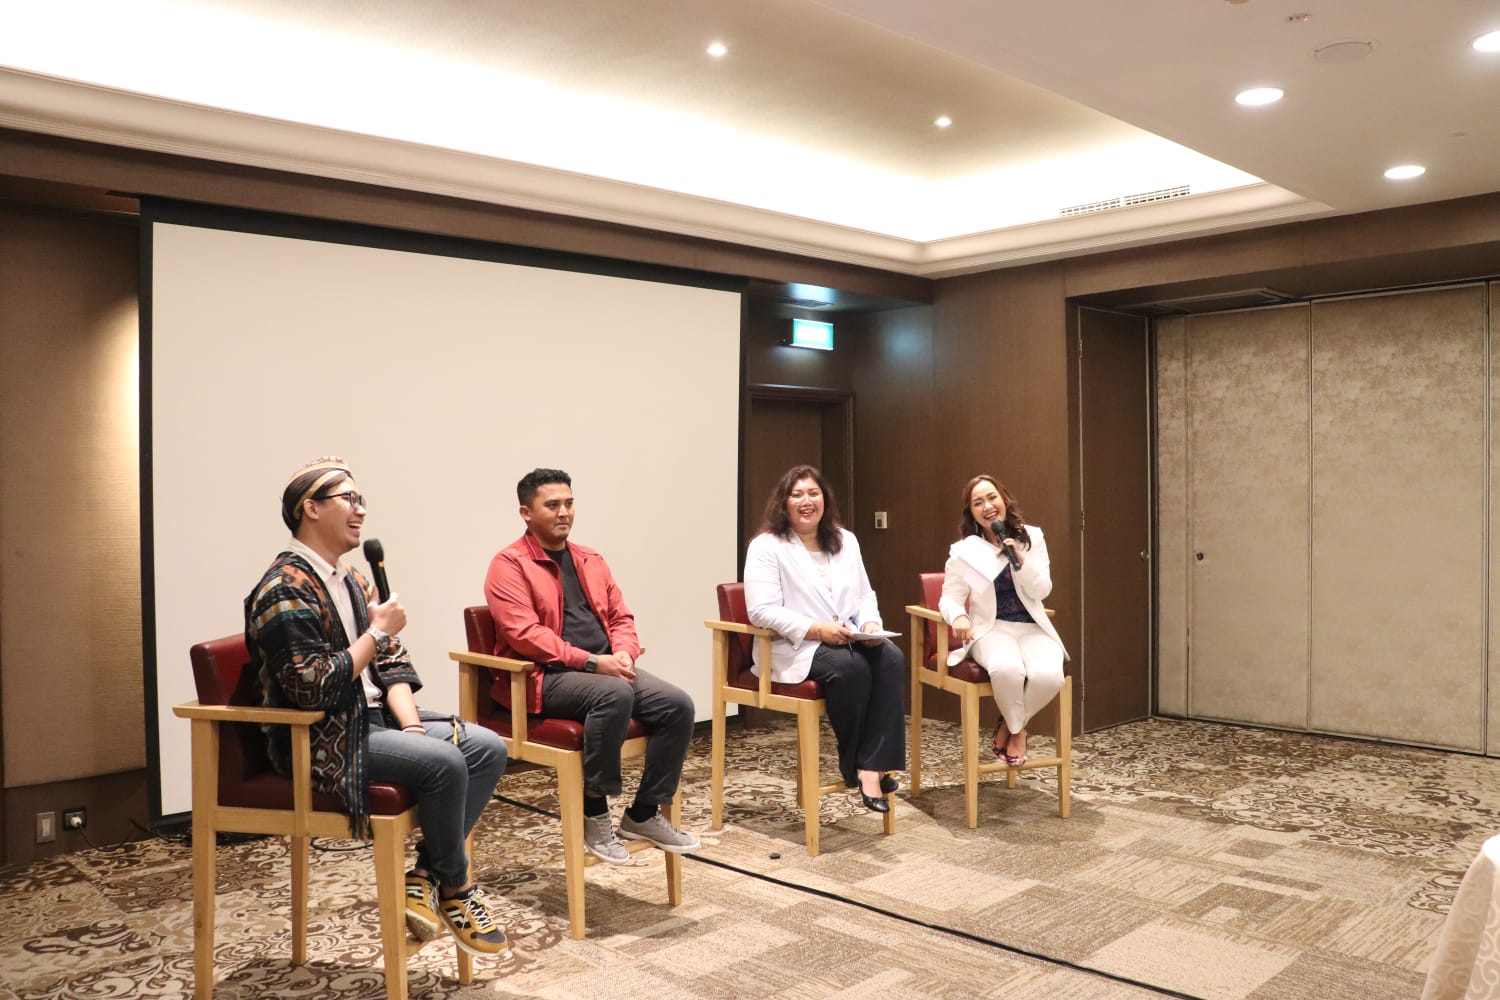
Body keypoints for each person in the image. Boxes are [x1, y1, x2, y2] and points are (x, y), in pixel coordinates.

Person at [245, 457, 511, 958]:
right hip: (322, 733)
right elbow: (310, 688)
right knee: (446, 762)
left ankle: (426, 875)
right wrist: (375, 632)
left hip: (376, 721)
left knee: (487, 747)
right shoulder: (284, 588)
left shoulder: (353, 580)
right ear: (311, 508)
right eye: (349, 498)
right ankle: (456, 887)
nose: (360, 510)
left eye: (361, 499)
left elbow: (393, 665)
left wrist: (412, 728)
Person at [484, 468, 700, 862]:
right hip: (544, 676)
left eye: (569, 503)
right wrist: (591, 662)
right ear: (526, 513)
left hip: (604, 668)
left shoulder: (590, 559)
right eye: (552, 505)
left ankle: (643, 813)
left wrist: (624, 653)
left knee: (678, 705)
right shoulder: (509, 564)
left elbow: (621, 617)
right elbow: (525, 635)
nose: (563, 512)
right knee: (613, 693)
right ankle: (594, 810)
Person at [743, 465, 905, 812]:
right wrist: (816, 629)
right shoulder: (766, 546)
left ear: (825, 499)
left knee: (891, 658)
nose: (807, 501)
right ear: (783, 503)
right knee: (851, 668)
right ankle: (858, 763)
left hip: (847, 636)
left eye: (813, 493)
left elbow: (865, 595)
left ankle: (870, 765)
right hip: (793, 645)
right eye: (797, 495)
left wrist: (871, 625)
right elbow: (761, 611)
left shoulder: (846, 540)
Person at [940, 474, 1068, 766]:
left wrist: (1021, 563)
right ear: (971, 512)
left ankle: (1010, 723)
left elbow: (1042, 590)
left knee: (1050, 676)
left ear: (1004, 499)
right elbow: (949, 597)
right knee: (1007, 669)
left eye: (991, 497)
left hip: (1032, 627)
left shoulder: (1032, 538)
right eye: (978, 503)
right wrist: (958, 616)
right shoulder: (965, 551)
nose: (987, 506)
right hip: (991, 629)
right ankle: (1018, 731)